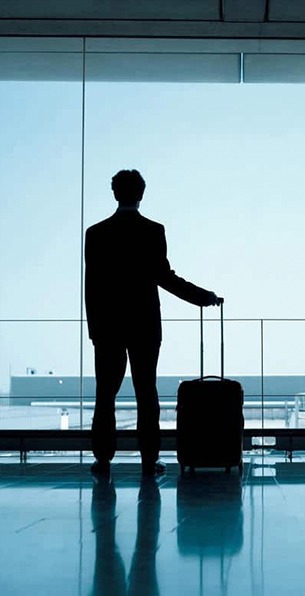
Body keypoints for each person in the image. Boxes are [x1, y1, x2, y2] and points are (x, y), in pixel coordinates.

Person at [86, 169, 221, 476]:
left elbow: (91, 286)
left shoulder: (96, 233)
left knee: (105, 393)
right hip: (144, 324)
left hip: (107, 327)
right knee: (146, 391)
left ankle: (103, 458)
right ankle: (149, 459)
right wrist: (203, 297)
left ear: (115, 193)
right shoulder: (152, 231)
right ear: (141, 194)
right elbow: (165, 278)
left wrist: (95, 330)